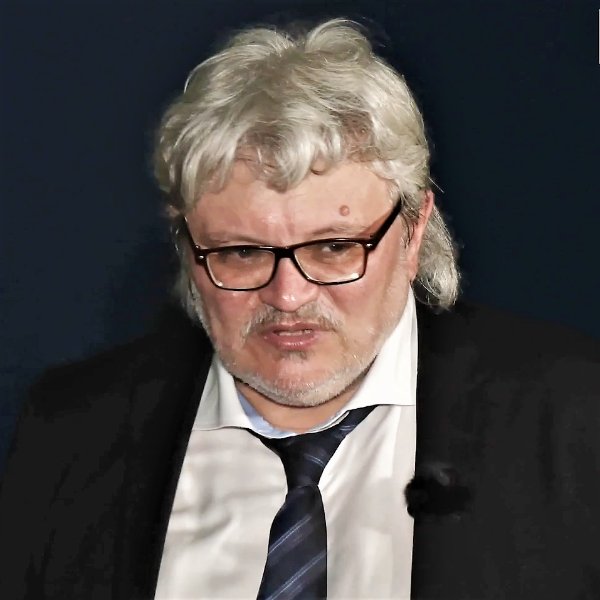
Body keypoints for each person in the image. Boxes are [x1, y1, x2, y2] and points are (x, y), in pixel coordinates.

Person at [1, 18, 598, 600]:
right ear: (186, 245)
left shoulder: (577, 419)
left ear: (415, 231)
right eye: (241, 253)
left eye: (334, 247)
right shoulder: (70, 432)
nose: (287, 297)